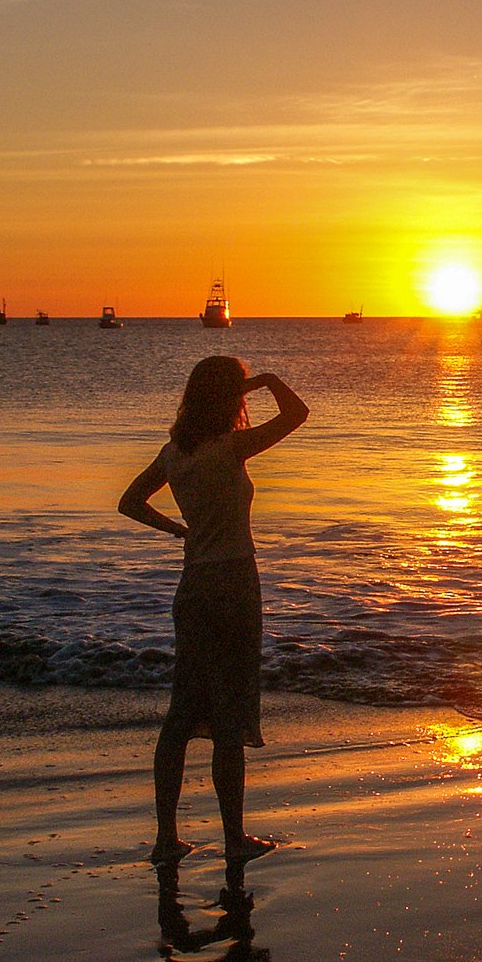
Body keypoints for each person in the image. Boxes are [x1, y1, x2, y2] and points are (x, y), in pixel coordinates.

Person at [119, 357, 309, 866]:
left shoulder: (175, 453)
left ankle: (166, 840)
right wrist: (268, 378)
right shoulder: (231, 447)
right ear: (232, 396)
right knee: (228, 715)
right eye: (240, 391)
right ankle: (232, 839)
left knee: (181, 713)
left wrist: (179, 531)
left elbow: (130, 502)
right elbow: (297, 414)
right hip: (233, 584)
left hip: (194, 585)